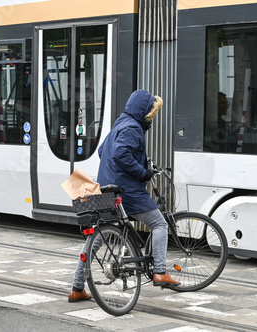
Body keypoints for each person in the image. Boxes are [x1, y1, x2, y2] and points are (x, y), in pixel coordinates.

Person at [68, 89, 180, 303]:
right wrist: (142, 172)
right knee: (159, 224)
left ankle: (77, 287)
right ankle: (159, 271)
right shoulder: (133, 127)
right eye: (151, 112)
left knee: (98, 237)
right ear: (143, 110)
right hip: (126, 190)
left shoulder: (121, 123)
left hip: (105, 188)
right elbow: (121, 153)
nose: (152, 116)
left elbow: (103, 151)